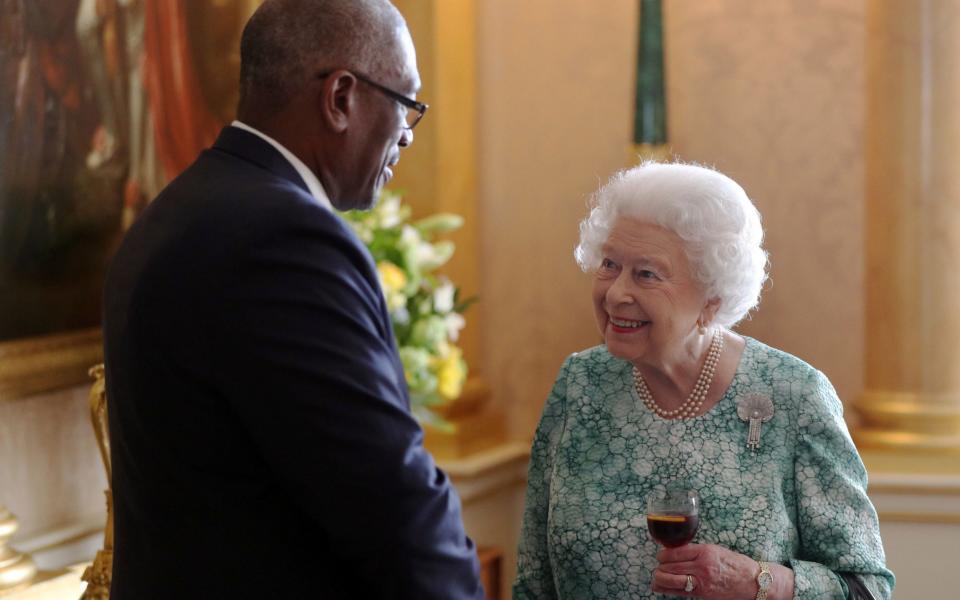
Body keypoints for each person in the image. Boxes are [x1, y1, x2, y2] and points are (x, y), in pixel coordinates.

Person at [102, 1, 483, 598]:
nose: (408, 133)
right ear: (341, 99)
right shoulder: (285, 241)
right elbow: (391, 506)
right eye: (406, 104)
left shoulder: (172, 211)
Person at [513, 162, 894, 599]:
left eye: (646, 274)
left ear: (712, 299)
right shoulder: (579, 384)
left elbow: (867, 588)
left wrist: (759, 584)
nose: (616, 292)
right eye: (609, 264)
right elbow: (534, 579)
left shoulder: (793, 394)